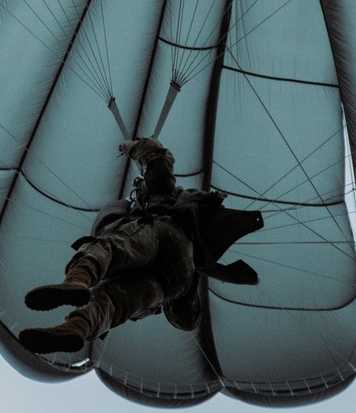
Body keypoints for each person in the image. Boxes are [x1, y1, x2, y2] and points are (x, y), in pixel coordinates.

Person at [18, 136, 264, 355]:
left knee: (108, 246)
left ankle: (76, 282)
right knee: (112, 303)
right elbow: (186, 320)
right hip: (177, 277)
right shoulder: (191, 257)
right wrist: (188, 287)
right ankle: (75, 329)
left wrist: (132, 147)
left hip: (165, 234)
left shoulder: (164, 196)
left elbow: (159, 161)